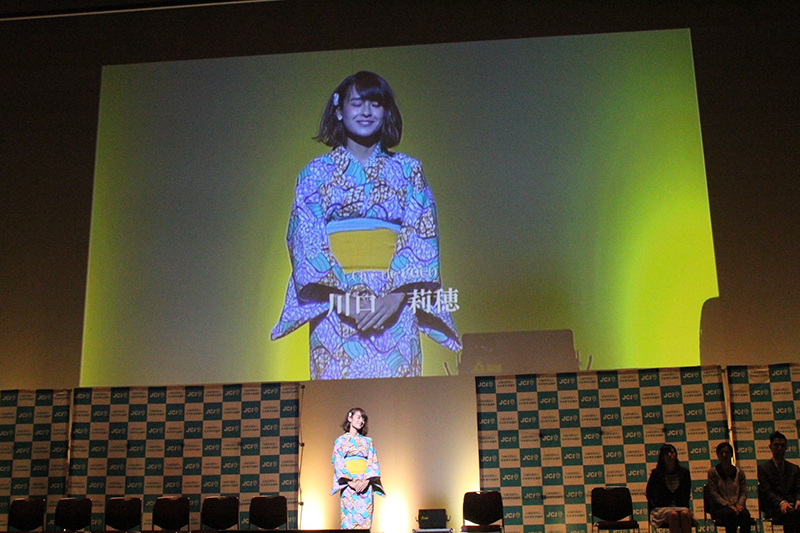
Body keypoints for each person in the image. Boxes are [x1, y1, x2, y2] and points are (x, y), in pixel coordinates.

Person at [271, 70, 461, 379]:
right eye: (357, 103)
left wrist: (396, 298)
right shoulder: (315, 174)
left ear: (386, 112)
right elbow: (305, 237)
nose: (366, 111)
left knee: (400, 397)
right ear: (339, 110)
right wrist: (341, 299)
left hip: (394, 305)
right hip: (334, 304)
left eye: (375, 103)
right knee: (334, 398)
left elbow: (421, 232)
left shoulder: (409, 171)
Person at [331, 407, 385, 529]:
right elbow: (338, 462)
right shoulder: (340, 441)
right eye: (358, 417)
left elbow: (373, 461)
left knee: (365, 522)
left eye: (363, 419)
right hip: (348, 486)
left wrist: (366, 481)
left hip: (365, 485)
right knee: (348, 522)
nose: (361, 421)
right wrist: (350, 482)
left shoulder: (368, 442)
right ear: (350, 418)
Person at [646, 443, 697, 533]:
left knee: (685, 514)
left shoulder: (684, 473)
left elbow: (686, 492)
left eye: (672, 452)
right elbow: (649, 493)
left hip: (680, 506)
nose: (670, 455)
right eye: (666, 454)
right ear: (662, 457)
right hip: (661, 508)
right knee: (673, 515)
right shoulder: (656, 474)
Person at [758, 430, 800, 533]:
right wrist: (781, 503)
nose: (779, 448)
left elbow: (798, 488)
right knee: (791, 514)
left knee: (794, 512)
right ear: (770, 447)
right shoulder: (763, 468)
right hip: (774, 506)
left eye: (782, 445)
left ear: (786, 448)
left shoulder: (794, 468)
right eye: (776, 445)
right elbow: (767, 492)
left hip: (793, 504)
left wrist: (799, 500)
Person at [707, 441, 751, 533]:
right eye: (721, 453)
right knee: (730, 514)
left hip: (737, 506)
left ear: (731, 454)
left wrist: (739, 505)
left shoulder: (739, 472)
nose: (724, 455)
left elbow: (743, 492)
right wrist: (728, 505)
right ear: (718, 455)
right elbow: (714, 493)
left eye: (727, 452)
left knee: (745, 514)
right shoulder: (712, 472)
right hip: (720, 508)